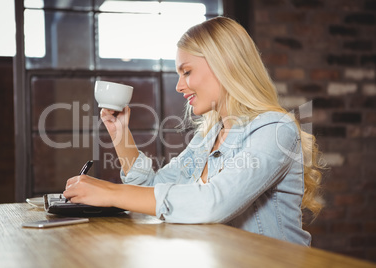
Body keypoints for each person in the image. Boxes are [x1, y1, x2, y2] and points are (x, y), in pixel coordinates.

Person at [63, 16, 324, 246]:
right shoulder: (209, 136)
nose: (179, 86)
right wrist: (121, 134)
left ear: (226, 65)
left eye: (186, 72)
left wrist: (110, 192)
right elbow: (155, 188)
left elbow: (214, 202)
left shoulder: (275, 129)